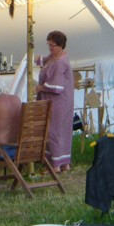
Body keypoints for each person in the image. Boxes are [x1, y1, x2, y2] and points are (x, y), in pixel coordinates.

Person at [36, 30, 73, 172]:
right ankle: (64, 164)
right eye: (49, 45)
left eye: (53, 45)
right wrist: (30, 58)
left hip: (58, 102)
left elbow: (57, 87)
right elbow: (44, 61)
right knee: (59, 131)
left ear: (60, 46)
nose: (50, 48)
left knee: (55, 131)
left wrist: (40, 87)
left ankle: (56, 165)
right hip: (59, 102)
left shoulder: (60, 62)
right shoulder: (53, 57)